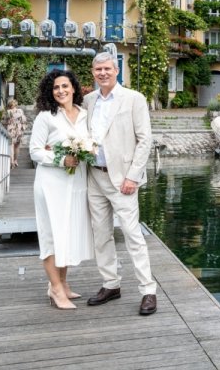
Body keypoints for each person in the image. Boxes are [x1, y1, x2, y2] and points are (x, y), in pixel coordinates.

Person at [83, 51, 157, 315]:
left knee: (132, 234)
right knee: (101, 235)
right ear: (93, 73)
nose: (102, 73)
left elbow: (145, 140)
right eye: (98, 69)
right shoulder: (88, 100)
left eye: (107, 69)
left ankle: (148, 290)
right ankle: (111, 284)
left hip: (123, 179)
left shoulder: (134, 99)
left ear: (116, 71)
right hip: (94, 176)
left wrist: (133, 177)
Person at [29, 69, 95, 310]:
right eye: (56, 87)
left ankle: (63, 283)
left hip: (76, 183)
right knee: (51, 235)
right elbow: (34, 151)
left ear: (74, 88)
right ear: (51, 91)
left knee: (66, 234)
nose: (61, 91)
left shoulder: (85, 114)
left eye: (65, 86)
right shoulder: (46, 117)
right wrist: (61, 160)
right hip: (51, 184)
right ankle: (55, 290)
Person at [4, 99, 27, 167]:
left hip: (11, 130)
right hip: (19, 130)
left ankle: (11, 162)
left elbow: (5, 122)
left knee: (11, 145)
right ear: (16, 104)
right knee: (17, 146)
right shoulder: (20, 111)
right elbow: (24, 120)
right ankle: (15, 160)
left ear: (9, 105)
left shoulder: (8, 112)